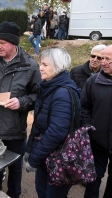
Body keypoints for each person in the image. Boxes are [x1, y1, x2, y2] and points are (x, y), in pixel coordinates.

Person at [0, 21, 41, 198]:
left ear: (14, 43)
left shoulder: (30, 66)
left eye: (1, 43)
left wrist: (22, 102)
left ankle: (14, 194)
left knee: (15, 168)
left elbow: (38, 96)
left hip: (14, 129)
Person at [25, 47, 81, 198]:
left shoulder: (62, 93)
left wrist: (34, 158)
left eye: (45, 65)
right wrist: (30, 149)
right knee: (42, 190)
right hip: (47, 155)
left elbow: (56, 132)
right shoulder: (48, 88)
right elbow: (38, 125)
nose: (40, 68)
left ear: (58, 66)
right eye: (40, 63)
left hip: (59, 158)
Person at [81, 44, 112, 198]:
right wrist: (89, 127)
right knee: (93, 179)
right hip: (97, 143)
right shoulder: (93, 81)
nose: (102, 62)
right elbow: (84, 107)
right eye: (102, 57)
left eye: (107, 59)